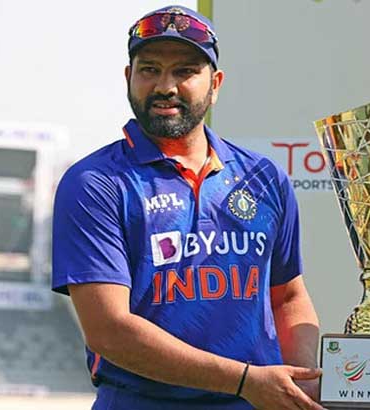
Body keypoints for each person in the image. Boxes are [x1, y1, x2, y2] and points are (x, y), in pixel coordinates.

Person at [51, 5, 324, 410]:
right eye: (150, 70)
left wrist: (304, 382)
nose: (165, 86)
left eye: (185, 71)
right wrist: (244, 381)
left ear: (215, 84)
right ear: (128, 78)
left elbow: (287, 297)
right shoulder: (95, 182)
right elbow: (109, 330)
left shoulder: (264, 177)